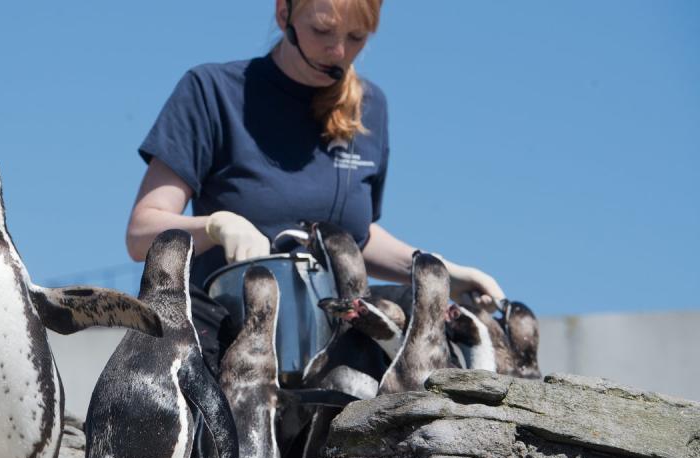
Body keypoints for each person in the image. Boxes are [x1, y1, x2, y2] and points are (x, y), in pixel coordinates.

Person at [126, 0, 505, 371]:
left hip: (337, 321)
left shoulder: (371, 107)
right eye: (322, 30)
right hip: (227, 322)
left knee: (443, 329)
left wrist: (438, 272)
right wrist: (216, 225)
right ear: (283, 13)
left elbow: (356, 239)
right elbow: (141, 233)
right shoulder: (210, 91)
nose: (339, 51)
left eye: (356, 37)